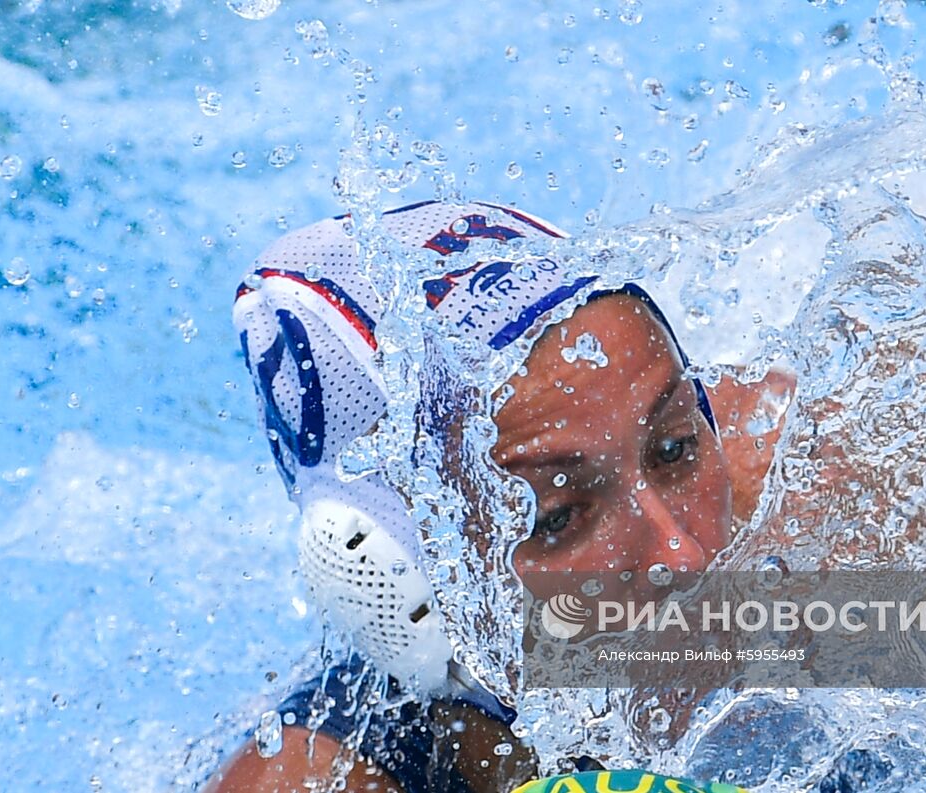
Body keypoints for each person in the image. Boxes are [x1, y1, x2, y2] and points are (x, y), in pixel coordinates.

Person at [209, 201, 792, 793]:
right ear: (391, 580)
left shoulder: (798, 487)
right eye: (558, 516)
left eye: (672, 450)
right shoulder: (316, 778)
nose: (682, 555)